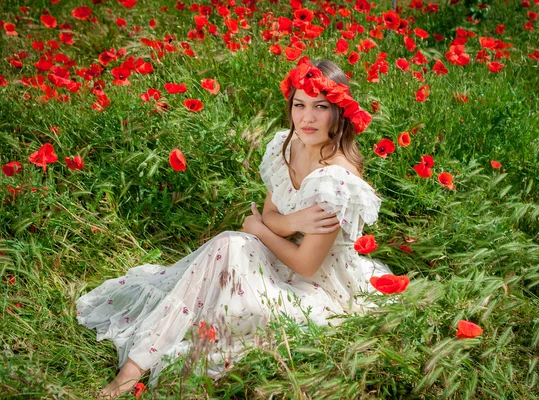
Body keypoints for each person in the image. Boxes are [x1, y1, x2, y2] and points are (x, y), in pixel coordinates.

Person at [76, 57, 393, 399]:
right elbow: (272, 214)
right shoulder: (290, 145)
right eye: (299, 105)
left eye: (321, 107)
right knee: (228, 244)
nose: (308, 117)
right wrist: (287, 223)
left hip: (317, 288)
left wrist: (258, 229)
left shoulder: (337, 181)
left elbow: (306, 263)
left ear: (338, 113)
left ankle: (138, 364)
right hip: (280, 257)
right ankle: (135, 367)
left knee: (233, 258)